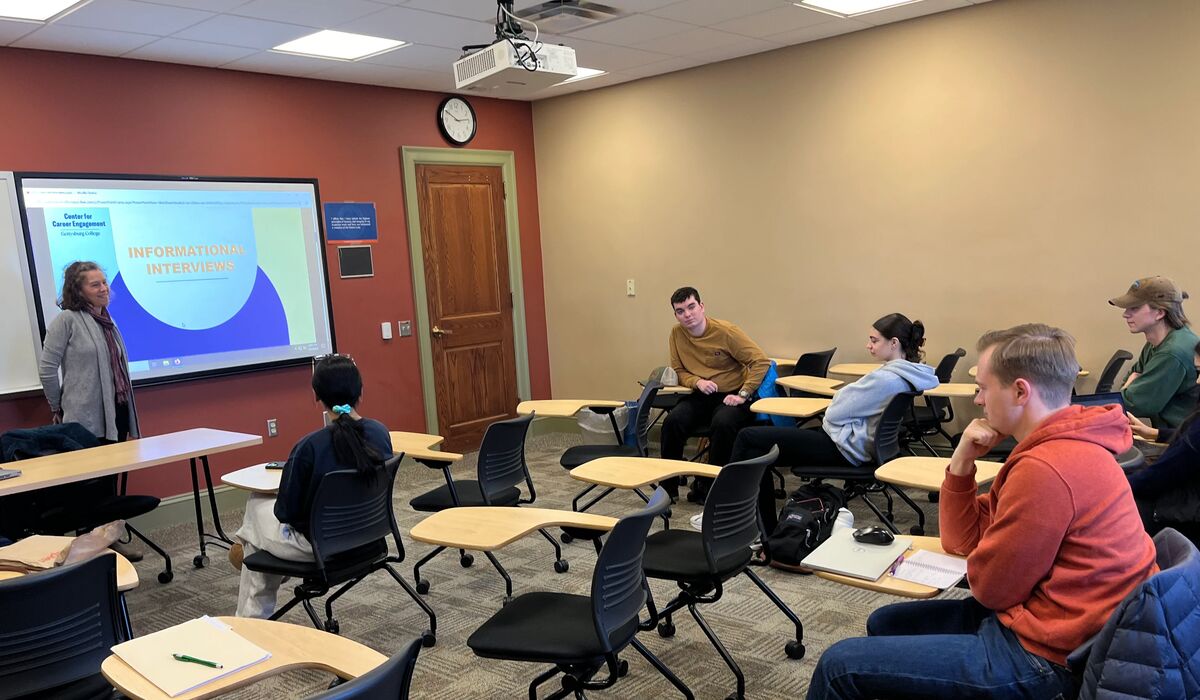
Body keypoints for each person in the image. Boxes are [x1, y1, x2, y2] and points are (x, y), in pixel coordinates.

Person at [806, 323, 1158, 700]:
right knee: (885, 622)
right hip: (1065, 627)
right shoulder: (1058, 445)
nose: (977, 400)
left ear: (1020, 391)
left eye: (984, 388)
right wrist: (961, 462)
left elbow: (991, 589)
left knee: (839, 666)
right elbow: (962, 541)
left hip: (1050, 658)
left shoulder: (1047, 468)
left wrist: (987, 556)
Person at [730, 313, 938, 536]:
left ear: (894, 343)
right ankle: (759, 529)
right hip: (857, 445)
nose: (869, 345)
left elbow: (835, 413)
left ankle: (731, 512)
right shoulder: (907, 374)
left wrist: (841, 402)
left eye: (874, 340)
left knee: (748, 437)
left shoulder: (886, 379)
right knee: (757, 451)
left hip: (845, 448)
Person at [232, 355, 393, 618]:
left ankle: (251, 615)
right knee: (257, 535)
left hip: (319, 547)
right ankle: (257, 557)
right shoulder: (380, 433)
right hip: (369, 536)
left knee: (256, 505)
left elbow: (286, 513)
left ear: (317, 396)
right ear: (361, 392)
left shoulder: (309, 447)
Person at [660, 286, 770, 502]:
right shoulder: (676, 334)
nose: (687, 314)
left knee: (723, 424)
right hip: (701, 395)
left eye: (691, 307)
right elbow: (679, 370)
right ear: (675, 315)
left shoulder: (726, 332)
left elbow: (761, 362)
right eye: (680, 311)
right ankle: (667, 489)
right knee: (672, 422)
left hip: (732, 394)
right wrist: (697, 382)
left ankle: (710, 488)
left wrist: (744, 393)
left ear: (702, 307)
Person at [39, 261, 140, 443]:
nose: (104, 289)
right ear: (78, 291)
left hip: (118, 412)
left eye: (104, 282)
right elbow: (47, 370)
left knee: (117, 461)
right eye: (95, 285)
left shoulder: (108, 321)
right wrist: (57, 407)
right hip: (84, 418)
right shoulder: (66, 320)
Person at [1127, 340, 1200, 535]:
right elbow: (1190, 435)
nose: (1197, 381)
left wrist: (1115, 485)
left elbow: (1160, 476)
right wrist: (1155, 433)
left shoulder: (1172, 353)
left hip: (1186, 516)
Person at [1110, 275, 1199, 429]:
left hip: (1178, 439)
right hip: (1170, 435)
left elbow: (1133, 403)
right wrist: (1130, 387)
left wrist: (1130, 387)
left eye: (1134, 308)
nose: (1125, 314)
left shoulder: (1172, 352)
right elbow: (1131, 383)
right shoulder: (1157, 343)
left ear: (1160, 313)